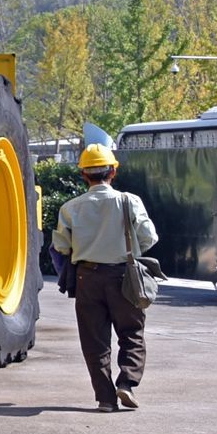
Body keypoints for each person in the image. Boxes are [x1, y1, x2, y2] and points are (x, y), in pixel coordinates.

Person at [52, 143, 159, 412]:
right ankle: (127, 383)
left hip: (87, 277)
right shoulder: (129, 201)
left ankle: (105, 399)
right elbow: (149, 238)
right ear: (113, 172)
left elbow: (61, 247)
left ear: (83, 175)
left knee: (94, 340)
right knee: (132, 332)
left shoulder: (70, 208)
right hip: (124, 275)